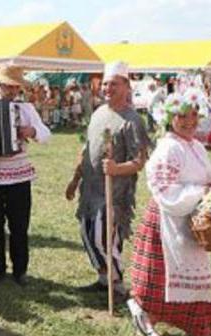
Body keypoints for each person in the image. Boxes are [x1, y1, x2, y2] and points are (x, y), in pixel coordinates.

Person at [127, 92, 211, 336]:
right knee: (162, 276)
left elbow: (205, 178)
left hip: (192, 220)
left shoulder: (195, 146)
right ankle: (146, 316)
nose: (189, 121)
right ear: (169, 118)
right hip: (169, 220)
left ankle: (189, 321)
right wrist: (202, 192)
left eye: (193, 115)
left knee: (190, 270)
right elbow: (165, 191)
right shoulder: (168, 147)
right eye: (181, 116)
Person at [65, 61, 151, 299]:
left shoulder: (133, 120)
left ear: (126, 86)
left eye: (114, 83)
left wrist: (115, 168)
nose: (107, 88)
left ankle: (117, 282)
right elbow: (87, 148)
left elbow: (140, 161)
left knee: (102, 238)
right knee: (86, 233)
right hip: (90, 188)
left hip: (115, 192)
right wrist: (75, 179)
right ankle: (105, 279)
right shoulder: (98, 113)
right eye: (105, 83)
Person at [0, 65, 51, 287]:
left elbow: (45, 134)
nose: (11, 91)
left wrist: (31, 132)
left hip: (19, 176)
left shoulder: (26, 108)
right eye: (6, 86)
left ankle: (20, 270)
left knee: (19, 225)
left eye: (14, 87)